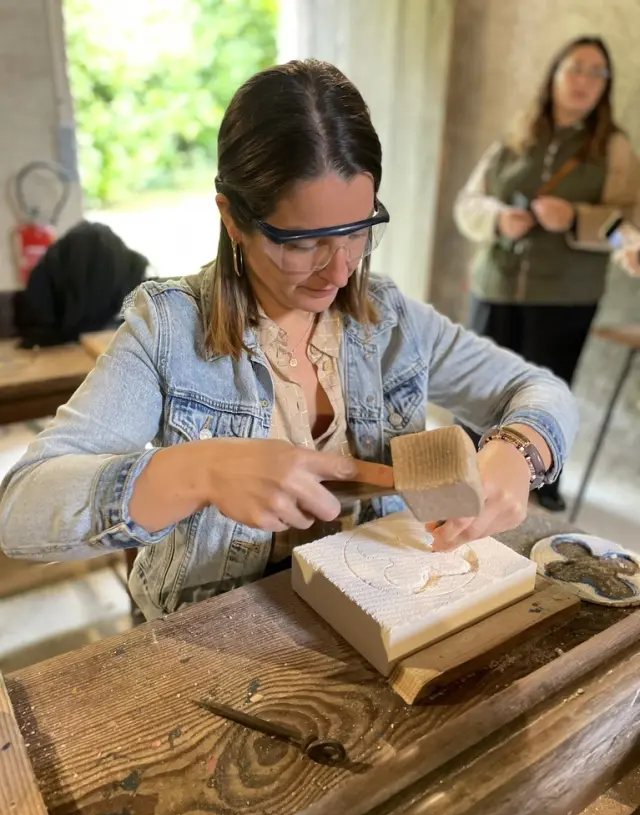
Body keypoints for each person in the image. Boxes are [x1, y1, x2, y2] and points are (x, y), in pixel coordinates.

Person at [0, 60, 578, 621]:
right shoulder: (169, 331)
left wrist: (522, 450)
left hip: (384, 604)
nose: (340, 269)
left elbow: (539, 388)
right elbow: (21, 510)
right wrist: (196, 472)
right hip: (217, 633)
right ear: (233, 219)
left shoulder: (390, 320)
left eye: (357, 230)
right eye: (304, 243)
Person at [454, 36, 640, 513]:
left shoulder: (613, 149)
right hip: (495, 287)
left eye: (597, 74)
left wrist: (576, 217)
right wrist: (498, 218)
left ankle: (532, 499)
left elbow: (628, 227)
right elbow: (467, 205)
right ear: (555, 73)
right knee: (479, 394)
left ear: (606, 87)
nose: (584, 81)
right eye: (576, 67)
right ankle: (466, 488)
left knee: (544, 400)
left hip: (564, 299)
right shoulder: (517, 139)